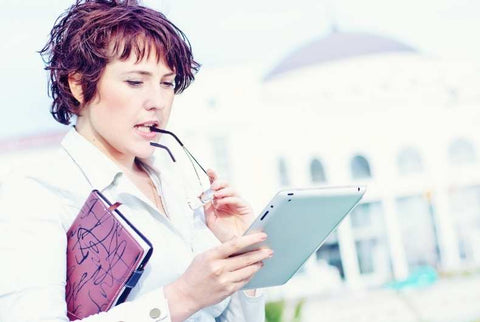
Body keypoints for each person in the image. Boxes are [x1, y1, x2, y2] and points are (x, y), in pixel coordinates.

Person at [0, 0, 273, 321]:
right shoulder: (38, 194)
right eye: (134, 81)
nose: (157, 102)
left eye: (167, 83)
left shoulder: (182, 180)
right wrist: (181, 296)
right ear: (79, 84)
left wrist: (240, 258)